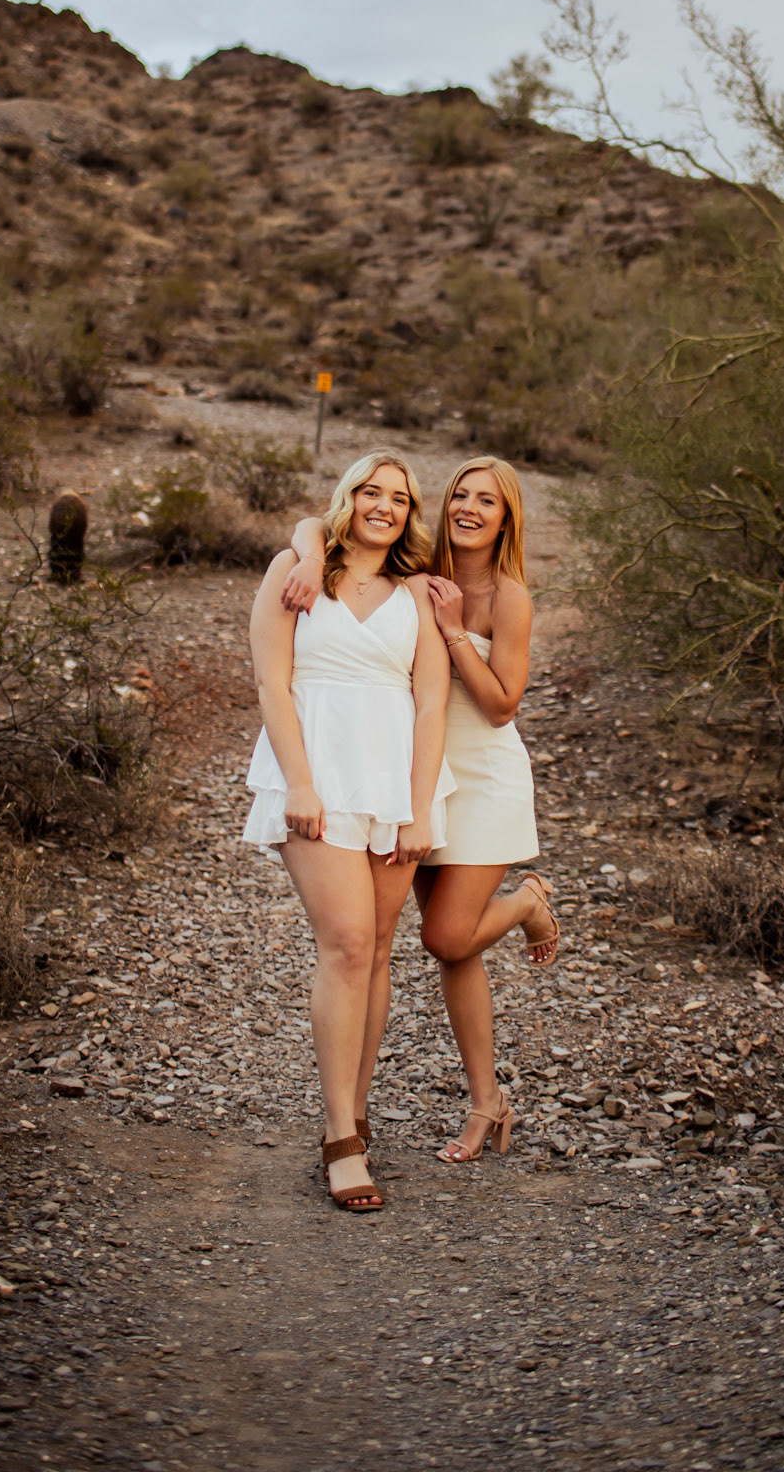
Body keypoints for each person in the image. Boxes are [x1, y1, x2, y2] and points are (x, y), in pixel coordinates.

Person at [283, 455, 557, 1165]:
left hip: (481, 774)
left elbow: (501, 706)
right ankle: (485, 1101)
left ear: (507, 517)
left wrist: (454, 629)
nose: (468, 508)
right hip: (409, 775)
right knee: (448, 952)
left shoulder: (509, 597)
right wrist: (309, 555)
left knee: (446, 937)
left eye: (487, 501)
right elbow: (319, 524)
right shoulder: (417, 563)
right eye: (460, 495)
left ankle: (527, 902)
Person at [245, 451, 454, 1211]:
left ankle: (357, 1113)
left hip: (394, 784)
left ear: (409, 514)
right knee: (346, 944)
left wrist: (419, 807)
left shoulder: (418, 591)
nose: (384, 505)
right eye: (371, 491)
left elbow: (430, 703)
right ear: (348, 497)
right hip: (317, 775)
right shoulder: (294, 571)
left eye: (399, 497)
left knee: (378, 951)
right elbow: (272, 683)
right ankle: (339, 1138)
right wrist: (300, 783)